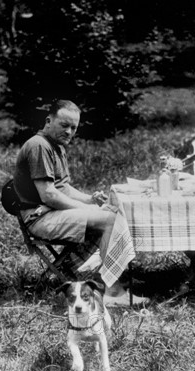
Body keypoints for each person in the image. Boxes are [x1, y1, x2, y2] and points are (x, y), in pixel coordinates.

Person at [13, 99, 149, 305]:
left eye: (73, 128)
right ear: (48, 121)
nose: (69, 132)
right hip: (39, 218)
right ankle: (112, 292)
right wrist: (87, 208)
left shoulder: (56, 146)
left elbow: (63, 187)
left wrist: (89, 199)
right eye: (64, 125)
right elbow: (49, 194)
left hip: (50, 212)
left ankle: (115, 276)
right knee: (110, 220)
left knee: (112, 212)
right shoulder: (38, 145)